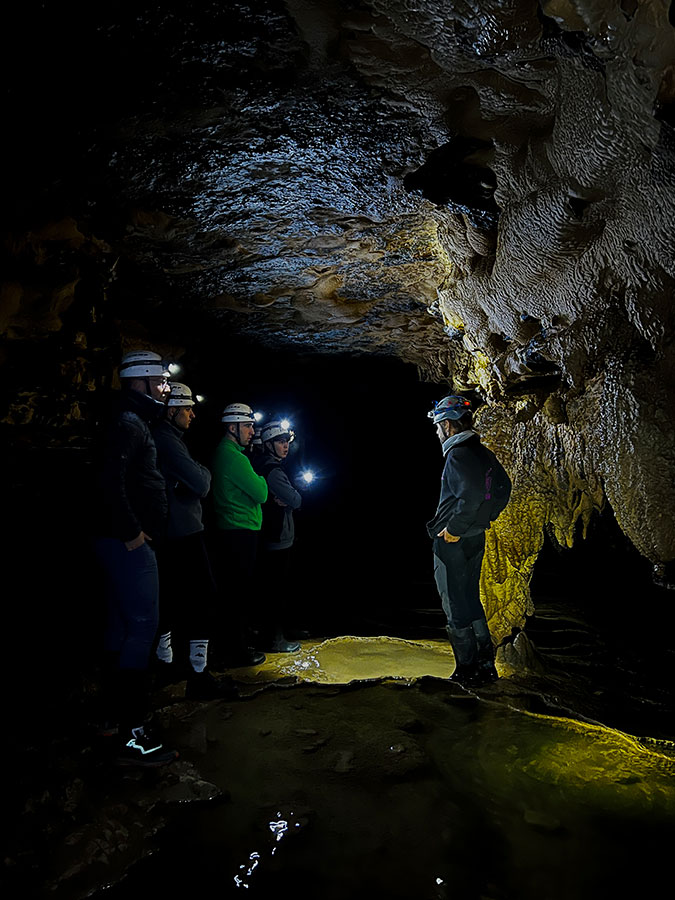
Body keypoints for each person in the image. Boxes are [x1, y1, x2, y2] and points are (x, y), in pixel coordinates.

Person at [93, 349, 178, 766]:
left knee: (120, 629)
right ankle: (134, 735)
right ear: (139, 382)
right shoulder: (129, 422)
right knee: (142, 628)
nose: (164, 389)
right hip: (127, 545)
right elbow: (109, 480)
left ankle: (110, 721)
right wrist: (132, 534)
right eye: (159, 381)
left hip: (115, 542)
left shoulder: (129, 419)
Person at [152, 382, 235, 699]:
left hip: (173, 531)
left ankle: (168, 666)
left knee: (172, 599)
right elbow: (201, 483)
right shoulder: (167, 440)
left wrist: (193, 477)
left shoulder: (170, 439)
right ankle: (197, 675)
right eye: (187, 408)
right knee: (202, 597)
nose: (192, 414)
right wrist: (197, 476)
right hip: (182, 533)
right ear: (171, 410)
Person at [427, 395, 512, 687]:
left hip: (453, 542)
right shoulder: (483, 452)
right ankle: (485, 666)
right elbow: (503, 488)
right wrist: (484, 519)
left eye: (438, 426)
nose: (437, 432)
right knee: (471, 599)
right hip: (475, 537)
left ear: (448, 425)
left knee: (454, 603)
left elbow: (472, 495)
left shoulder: (457, 455)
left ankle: (465, 670)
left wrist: (455, 528)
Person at [211, 402, 268, 667]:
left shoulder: (227, 453)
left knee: (233, 593)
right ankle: (236, 650)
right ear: (232, 427)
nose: (252, 431)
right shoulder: (234, 457)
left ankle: (233, 645)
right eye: (247, 426)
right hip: (239, 532)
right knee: (237, 595)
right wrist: (261, 479)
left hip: (232, 530)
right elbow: (261, 493)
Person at [253, 421, 304, 653]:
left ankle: (276, 633)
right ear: (268, 444)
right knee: (275, 591)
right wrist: (293, 496)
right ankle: (274, 639)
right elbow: (296, 499)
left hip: (272, 535)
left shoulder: (267, 465)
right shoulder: (272, 470)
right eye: (280, 442)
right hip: (276, 538)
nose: (286, 446)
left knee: (274, 590)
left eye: (286, 442)